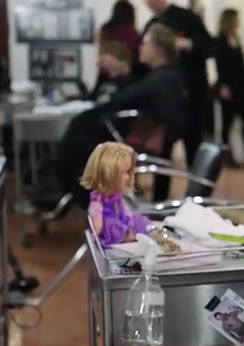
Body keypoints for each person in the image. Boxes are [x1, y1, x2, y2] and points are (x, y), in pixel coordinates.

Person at [56, 23, 187, 208]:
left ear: (158, 48)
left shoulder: (163, 80)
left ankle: (84, 198)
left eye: (145, 44)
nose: (140, 48)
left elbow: (123, 100)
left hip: (135, 140)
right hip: (129, 134)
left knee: (77, 141)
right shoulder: (163, 78)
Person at [137, 0, 213, 167]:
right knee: (163, 150)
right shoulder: (152, 25)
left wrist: (186, 44)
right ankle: (161, 193)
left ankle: (196, 190)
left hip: (192, 95)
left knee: (193, 147)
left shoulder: (188, 19)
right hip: (165, 98)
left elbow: (209, 47)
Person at [214, 8, 244, 167]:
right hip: (228, 87)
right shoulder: (220, 41)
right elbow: (220, 66)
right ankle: (227, 156)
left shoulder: (236, 38)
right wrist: (223, 86)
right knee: (227, 124)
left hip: (241, 86)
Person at [82, 142, 152, 248]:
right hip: (111, 226)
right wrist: (94, 237)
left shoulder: (117, 197)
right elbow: (97, 222)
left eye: (129, 172)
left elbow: (126, 211)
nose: (129, 177)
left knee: (140, 222)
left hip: (122, 220)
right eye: (126, 172)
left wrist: (130, 221)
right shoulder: (98, 200)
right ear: (109, 174)